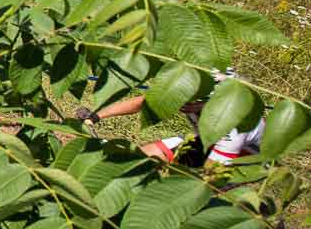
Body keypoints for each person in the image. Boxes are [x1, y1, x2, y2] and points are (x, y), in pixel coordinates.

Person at [76, 69, 263, 166]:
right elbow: (144, 102)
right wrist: (96, 115)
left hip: (247, 155)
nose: (184, 104)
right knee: (141, 159)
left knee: (193, 191)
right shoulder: (190, 93)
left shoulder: (232, 127)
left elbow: (209, 177)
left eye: (195, 101)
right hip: (207, 139)